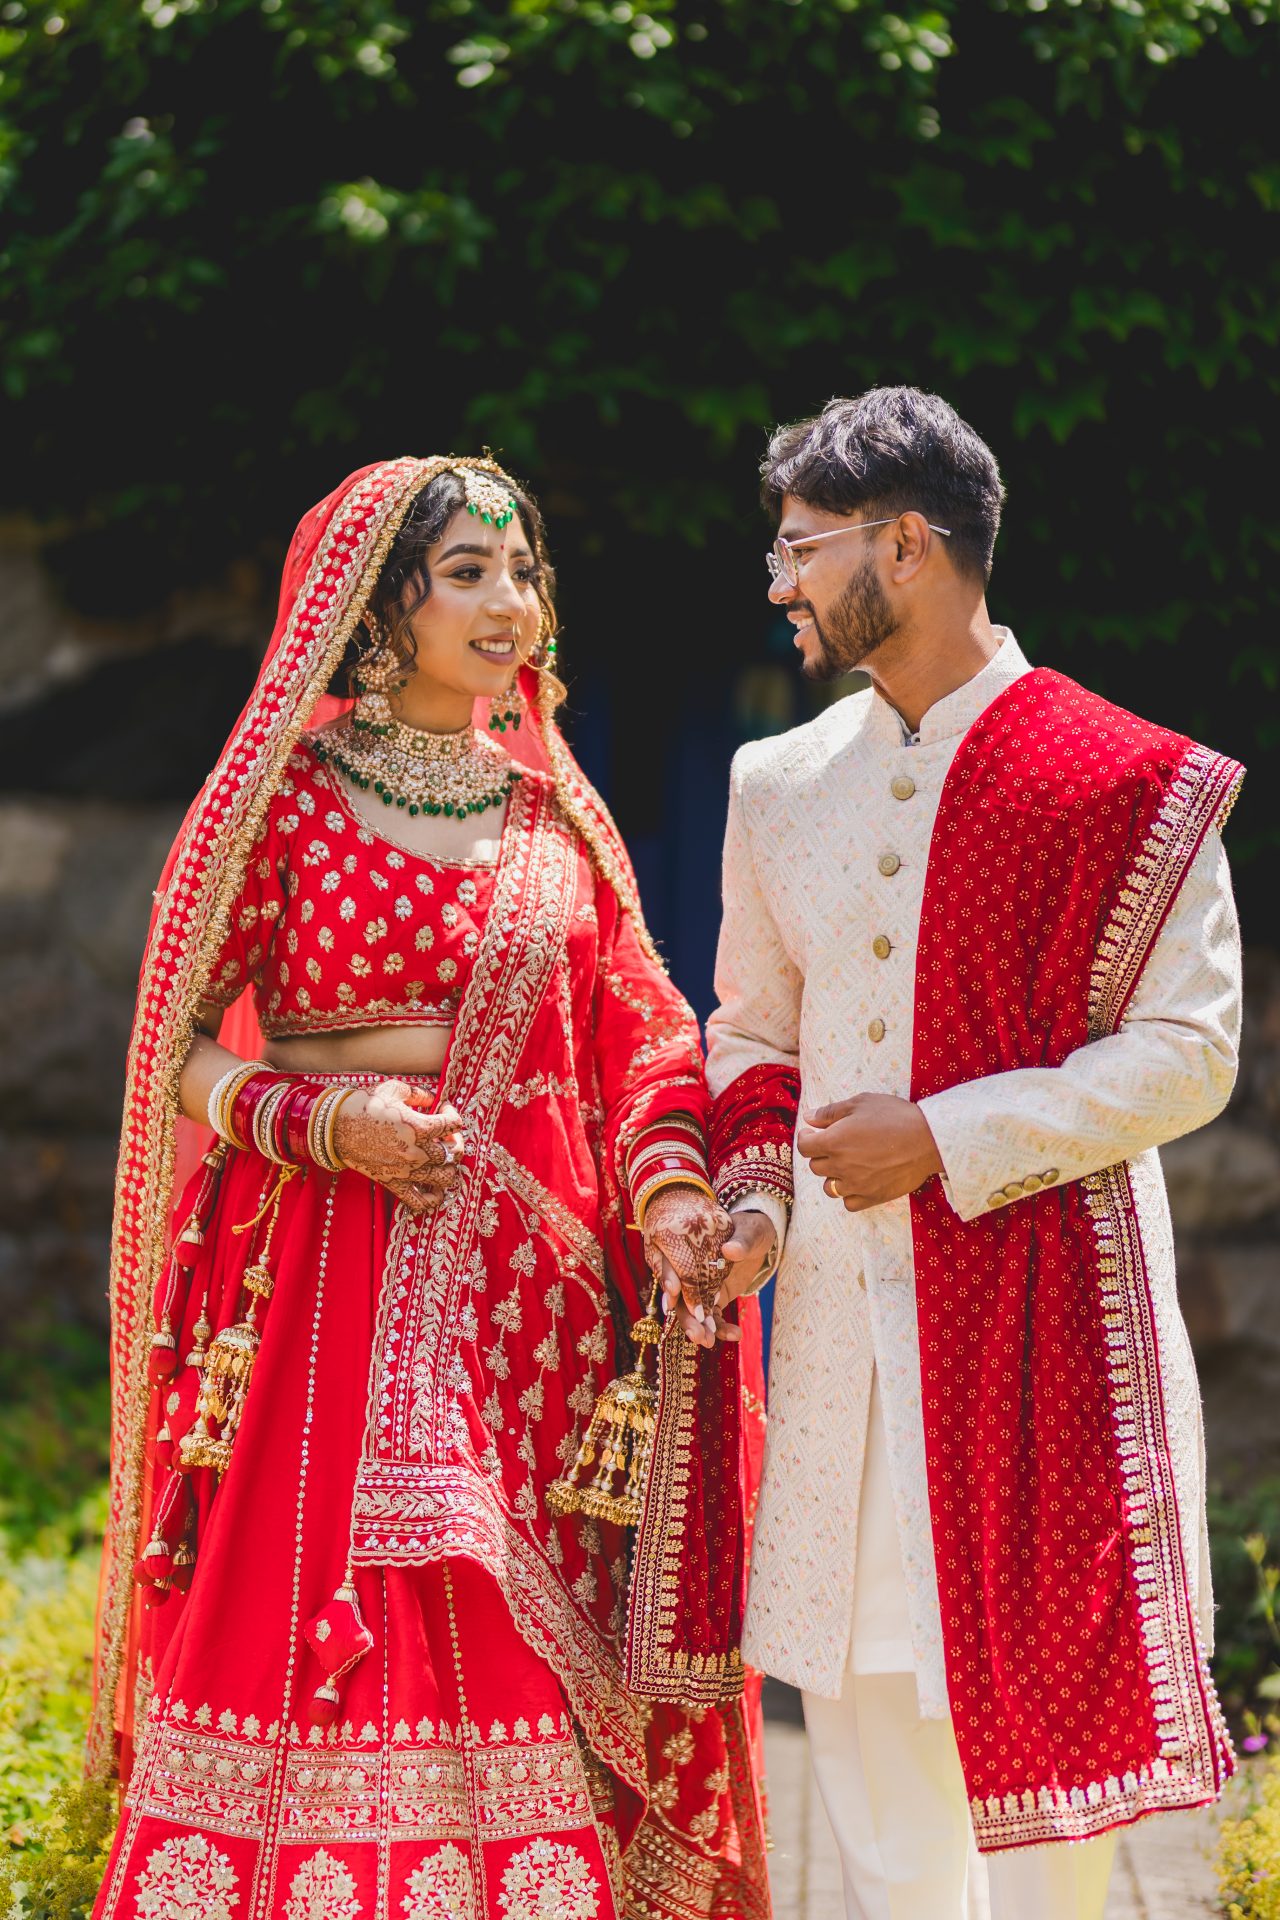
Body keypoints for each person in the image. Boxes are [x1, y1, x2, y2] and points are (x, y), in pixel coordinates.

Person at [89, 456, 771, 1920]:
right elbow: (173, 1048)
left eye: (522, 574)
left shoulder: (556, 823)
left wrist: (670, 1195)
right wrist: (320, 1121)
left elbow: (647, 1038)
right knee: (307, 1621)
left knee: (509, 1642)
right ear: (375, 607)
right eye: (465, 573)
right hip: (317, 1290)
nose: (508, 602)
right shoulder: (283, 805)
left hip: (529, 1327)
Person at [692, 388, 1243, 1920]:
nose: (782, 581)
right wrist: (753, 1206)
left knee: (1052, 1825)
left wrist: (942, 1137)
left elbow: (1192, 1050)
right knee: (873, 1805)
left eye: (802, 548)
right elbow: (750, 1035)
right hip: (843, 1378)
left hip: (1046, 1355)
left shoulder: (1125, 779)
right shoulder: (778, 785)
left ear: (908, 546)